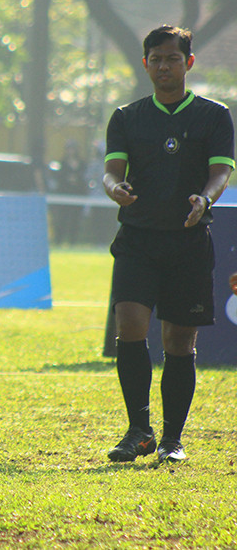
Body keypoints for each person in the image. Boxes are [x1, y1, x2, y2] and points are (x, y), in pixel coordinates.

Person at [103, 25, 234, 464]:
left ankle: (172, 440)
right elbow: (112, 169)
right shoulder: (127, 116)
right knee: (130, 328)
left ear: (189, 63)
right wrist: (113, 187)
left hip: (189, 242)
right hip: (138, 238)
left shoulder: (214, 116)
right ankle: (139, 429)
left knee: (180, 343)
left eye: (172, 59)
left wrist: (205, 198)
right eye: (156, 59)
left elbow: (220, 172)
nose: (164, 66)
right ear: (145, 64)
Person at [51, 138, 88, 245]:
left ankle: (73, 241)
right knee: (62, 219)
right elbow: (59, 178)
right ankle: (59, 241)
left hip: (78, 195)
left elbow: (85, 178)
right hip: (65, 195)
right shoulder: (62, 163)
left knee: (75, 220)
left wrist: (77, 180)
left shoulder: (82, 164)